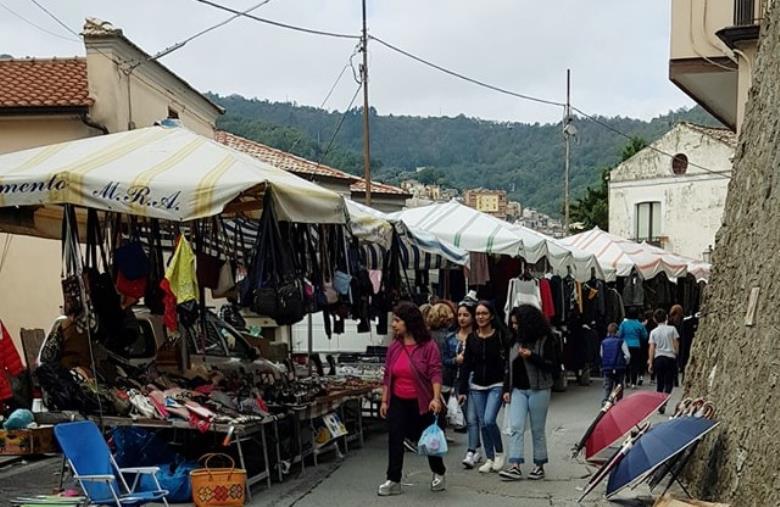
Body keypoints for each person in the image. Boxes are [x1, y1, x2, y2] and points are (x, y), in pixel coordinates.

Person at [378, 302, 446, 496]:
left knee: (428, 441)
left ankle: (439, 471)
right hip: (398, 399)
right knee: (395, 438)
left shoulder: (428, 346)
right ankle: (393, 479)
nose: (394, 325)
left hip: (422, 401)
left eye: (397, 321)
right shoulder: (394, 347)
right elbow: (388, 376)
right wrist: (384, 401)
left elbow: (435, 372)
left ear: (409, 322)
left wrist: (436, 398)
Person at [499, 305, 557, 481]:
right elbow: (508, 367)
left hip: (539, 388)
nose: (514, 327)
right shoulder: (513, 341)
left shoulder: (546, 339)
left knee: (537, 429)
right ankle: (515, 465)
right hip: (517, 389)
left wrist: (531, 356)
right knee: (516, 427)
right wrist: (506, 389)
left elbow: (551, 365)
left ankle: (539, 465)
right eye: (513, 323)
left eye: (517, 324)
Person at [458, 301, 507, 474]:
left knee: (488, 420)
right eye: (478, 313)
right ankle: (489, 457)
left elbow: (508, 363)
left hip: (496, 384)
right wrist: (462, 390)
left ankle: (500, 453)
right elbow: (466, 365)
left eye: (484, 313)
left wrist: (507, 388)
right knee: (483, 424)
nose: (480, 317)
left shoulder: (500, 336)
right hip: (476, 385)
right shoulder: (472, 338)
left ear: (492, 315)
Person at [446, 301, 483, 468]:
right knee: (470, 417)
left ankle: (473, 450)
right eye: (459, 315)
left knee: (476, 417)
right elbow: (444, 360)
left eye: (465, 315)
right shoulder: (450, 338)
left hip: (476, 379)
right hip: (458, 381)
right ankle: (475, 449)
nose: (462, 318)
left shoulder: (479, 336)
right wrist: (456, 360)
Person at [647, 308, 680, 413]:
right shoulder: (672, 329)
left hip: (659, 358)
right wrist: (675, 353)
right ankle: (664, 402)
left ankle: (659, 402)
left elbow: (652, 347)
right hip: (670, 358)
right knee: (669, 382)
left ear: (654, 320)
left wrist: (650, 362)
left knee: (660, 382)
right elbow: (676, 344)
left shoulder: (653, 332)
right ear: (666, 317)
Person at [600, 323, 630, 404]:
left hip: (607, 368)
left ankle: (606, 401)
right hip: (619, 367)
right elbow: (627, 355)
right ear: (617, 332)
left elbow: (602, 354)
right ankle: (618, 401)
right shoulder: (621, 341)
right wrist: (625, 362)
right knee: (619, 385)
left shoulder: (604, 342)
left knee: (608, 386)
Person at [618, 308, 648, 388]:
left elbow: (619, 334)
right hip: (636, 346)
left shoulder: (623, 324)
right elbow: (644, 336)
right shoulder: (639, 324)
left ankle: (627, 381)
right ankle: (633, 383)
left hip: (625, 346)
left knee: (626, 363)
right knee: (634, 364)